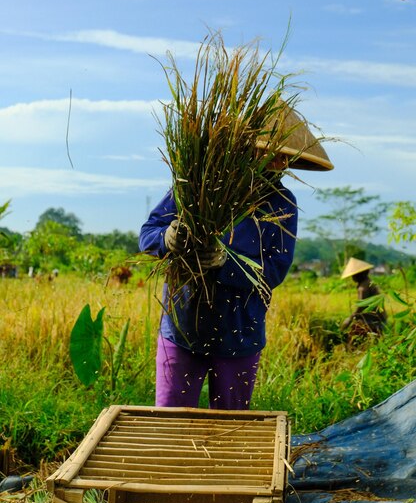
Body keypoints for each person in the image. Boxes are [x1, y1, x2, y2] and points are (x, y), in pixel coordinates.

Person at [139, 111, 333, 410]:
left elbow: (275, 270)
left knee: (229, 430)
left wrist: (224, 262)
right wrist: (167, 238)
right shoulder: (196, 183)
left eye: (286, 158)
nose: (280, 164)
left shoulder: (281, 203)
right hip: (182, 326)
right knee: (170, 422)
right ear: (248, 148)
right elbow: (148, 234)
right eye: (274, 154)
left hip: (239, 332)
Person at [341, 257, 387, 345]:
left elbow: (361, 306)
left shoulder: (363, 288)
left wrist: (350, 319)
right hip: (379, 318)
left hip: (373, 321)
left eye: (354, 275)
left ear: (360, 274)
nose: (352, 277)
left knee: (357, 340)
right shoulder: (369, 282)